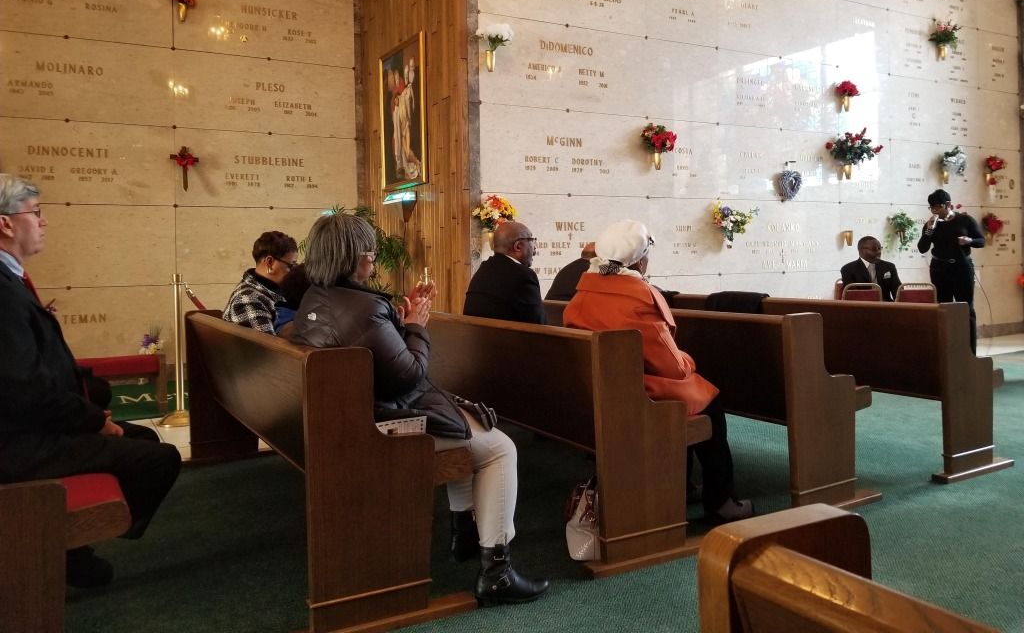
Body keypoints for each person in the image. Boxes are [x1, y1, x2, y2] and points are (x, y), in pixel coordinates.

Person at [290, 213, 549, 605]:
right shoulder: (364, 308)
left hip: (352, 414)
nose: (373, 259)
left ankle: (466, 534)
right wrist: (415, 326)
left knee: (465, 423)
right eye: (369, 252)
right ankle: (497, 572)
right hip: (382, 426)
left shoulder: (316, 296)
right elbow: (409, 376)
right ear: (352, 257)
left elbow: (369, 347)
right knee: (499, 448)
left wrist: (397, 320)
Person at [0, 174, 182, 587]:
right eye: (36, 213)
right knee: (158, 459)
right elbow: (24, 388)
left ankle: (72, 542)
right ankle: (65, 541)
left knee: (143, 438)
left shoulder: (11, 279)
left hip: (29, 425)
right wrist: (94, 420)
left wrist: (88, 403)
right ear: (6, 223)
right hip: (18, 443)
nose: (44, 221)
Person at [562, 219, 751, 524]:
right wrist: (688, 362)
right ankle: (721, 501)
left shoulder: (583, 294)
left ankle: (683, 486)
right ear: (639, 261)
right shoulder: (637, 298)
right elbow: (671, 368)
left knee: (689, 397)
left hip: (599, 391)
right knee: (709, 401)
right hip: (639, 396)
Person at [918, 189, 985, 352]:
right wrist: (928, 230)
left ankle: (970, 351)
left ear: (948, 204)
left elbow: (981, 241)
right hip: (940, 268)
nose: (935, 211)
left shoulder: (965, 220)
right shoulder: (931, 224)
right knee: (943, 307)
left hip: (962, 267)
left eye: (938, 207)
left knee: (966, 308)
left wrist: (969, 240)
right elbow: (922, 248)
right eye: (932, 208)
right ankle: (947, 350)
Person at [463, 221, 546, 324]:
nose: (535, 248)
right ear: (518, 246)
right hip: (506, 335)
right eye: (532, 240)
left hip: (476, 334)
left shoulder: (484, 268)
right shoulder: (523, 276)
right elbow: (539, 324)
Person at [223, 230, 299, 334]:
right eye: (291, 266)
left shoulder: (274, 289)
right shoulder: (247, 300)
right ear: (270, 262)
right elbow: (267, 344)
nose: (294, 271)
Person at [841, 235, 902, 301]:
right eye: (874, 249)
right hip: (862, 305)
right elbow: (851, 296)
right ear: (861, 251)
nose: (879, 252)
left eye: (879, 248)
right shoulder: (848, 269)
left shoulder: (889, 267)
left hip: (886, 304)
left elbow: (898, 291)